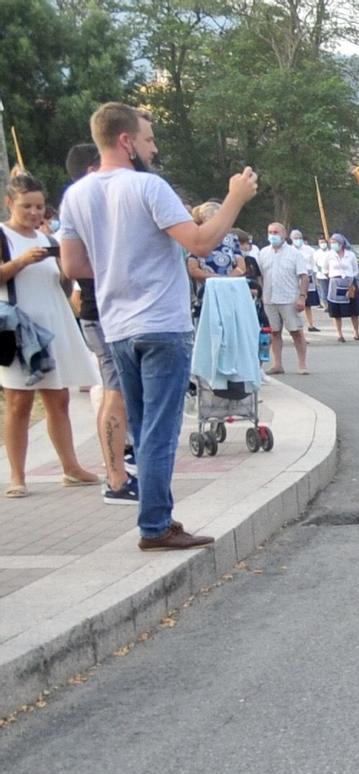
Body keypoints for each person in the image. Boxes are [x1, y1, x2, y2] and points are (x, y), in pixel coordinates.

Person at [59, 102, 256, 550]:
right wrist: (236, 198)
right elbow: (203, 243)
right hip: (162, 323)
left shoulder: (77, 195)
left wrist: (118, 264)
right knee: (161, 430)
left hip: (116, 324)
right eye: (148, 139)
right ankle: (155, 524)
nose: (154, 147)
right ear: (126, 141)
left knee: (143, 424)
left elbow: (72, 263)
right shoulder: (149, 187)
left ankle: (154, 520)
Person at [2, 173, 101, 499]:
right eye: (26, 206)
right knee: (19, 402)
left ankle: (70, 466)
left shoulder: (49, 239)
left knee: (59, 398)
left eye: (39, 206)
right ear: (9, 204)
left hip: (53, 320)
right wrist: (19, 263)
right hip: (19, 327)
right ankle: (17, 475)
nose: (33, 212)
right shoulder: (3, 236)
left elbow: (64, 279)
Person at [61, 141, 133, 503]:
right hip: (100, 311)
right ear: (92, 169)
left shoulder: (82, 203)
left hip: (102, 310)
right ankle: (117, 475)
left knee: (114, 388)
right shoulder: (83, 203)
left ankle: (119, 463)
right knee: (114, 389)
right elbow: (72, 267)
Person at [258, 223, 312, 375]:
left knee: (296, 331)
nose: (273, 235)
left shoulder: (294, 253)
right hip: (269, 298)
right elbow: (260, 276)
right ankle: (277, 364)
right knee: (274, 332)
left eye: (276, 232)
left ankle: (302, 364)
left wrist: (302, 297)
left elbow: (304, 277)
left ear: (284, 234)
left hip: (289, 298)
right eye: (270, 232)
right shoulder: (263, 253)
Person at [323, 234, 359, 343]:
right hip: (335, 282)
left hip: (349, 282)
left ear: (341, 243)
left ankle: (356, 333)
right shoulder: (329, 255)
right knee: (336, 311)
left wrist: (350, 280)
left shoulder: (350, 255)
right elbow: (325, 269)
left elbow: (355, 269)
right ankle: (340, 334)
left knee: (354, 310)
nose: (333, 245)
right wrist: (333, 277)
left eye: (335, 242)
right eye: (331, 242)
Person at [307, 234, 329, 331]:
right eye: (320, 242)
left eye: (324, 242)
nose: (322, 244)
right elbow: (314, 264)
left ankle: (331, 305)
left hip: (330, 275)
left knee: (329, 292)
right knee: (323, 292)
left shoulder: (330, 252)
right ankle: (326, 306)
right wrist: (318, 271)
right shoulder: (316, 253)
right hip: (320, 275)